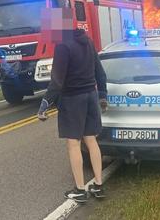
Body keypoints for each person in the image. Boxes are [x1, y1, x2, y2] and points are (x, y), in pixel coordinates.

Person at [37, 27, 108, 203]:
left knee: (73, 144)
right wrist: (103, 95)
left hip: (72, 99)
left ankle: (80, 190)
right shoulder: (88, 41)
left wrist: (45, 104)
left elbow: (57, 81)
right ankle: (98, 186)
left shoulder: (63, 46)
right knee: (91, 140)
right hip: (90, 96)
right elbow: (100, 72)